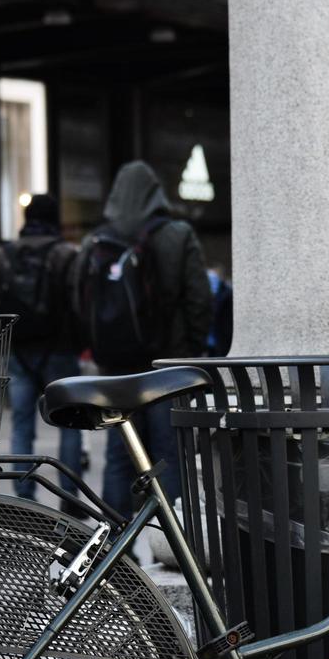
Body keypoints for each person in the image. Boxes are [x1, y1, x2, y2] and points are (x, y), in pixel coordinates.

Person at [76, 160, 212, 517]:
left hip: (116, 366)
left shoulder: (96, 239)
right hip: (168, 363)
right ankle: (172, 540)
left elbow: (79, 299)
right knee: (169, 454)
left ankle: (113, 541)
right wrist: (191, 348)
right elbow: (199, 298)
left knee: (119, 454)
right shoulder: (177, 234)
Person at [0, 194, 83, 508]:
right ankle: (70, 498)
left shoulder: (1, 255)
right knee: (71, 423)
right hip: (60, 351)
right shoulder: (67, 254)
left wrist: (5, 344)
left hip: (18, 352)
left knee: (23, 423)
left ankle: (25, 498)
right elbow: (78, 305)